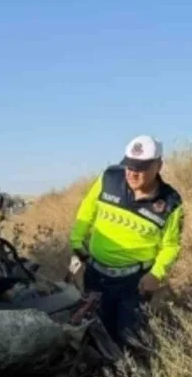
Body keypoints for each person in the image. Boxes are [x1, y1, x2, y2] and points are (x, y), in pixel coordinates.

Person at [68, 135, 184, 349]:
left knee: (128, 338)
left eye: (141, 167)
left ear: (159, 165)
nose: (132, 173)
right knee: (93, 332)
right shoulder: (109, 179)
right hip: (96, 276)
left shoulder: (170, 203)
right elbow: (87, 210)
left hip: (134, 284)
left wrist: (156, 274)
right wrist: (77, 244)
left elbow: (171, 246)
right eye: (129, 166)